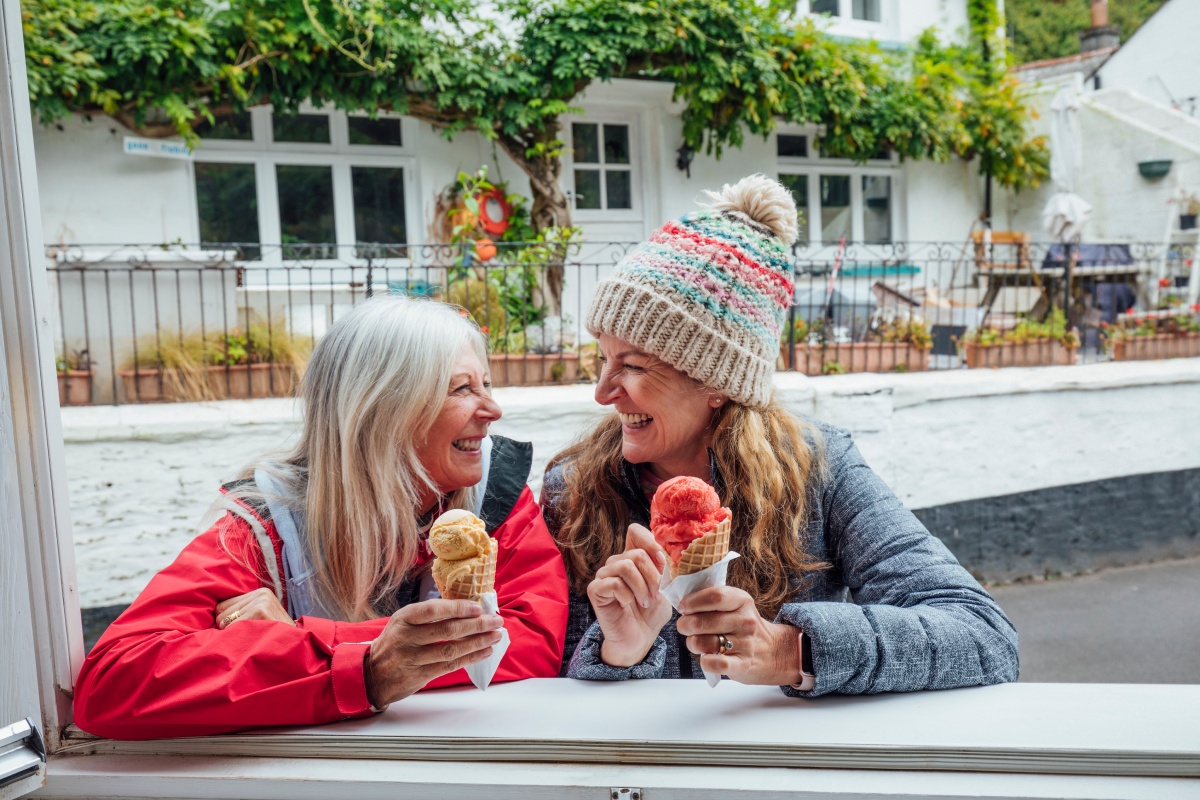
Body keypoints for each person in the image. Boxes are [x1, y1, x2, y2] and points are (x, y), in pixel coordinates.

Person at [542, 175, 1018, 694]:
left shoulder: (818, 469)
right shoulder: (574, 487)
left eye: (633, 366)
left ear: (716, 383)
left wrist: (792, 649)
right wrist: (618, 653)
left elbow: (983, 636)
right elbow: (544, 684)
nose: (603, 392)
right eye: (604, 359)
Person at [75, 296, 569, 739]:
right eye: (461, 388)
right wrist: (365, 671)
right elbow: (113, 682)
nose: (493, 409)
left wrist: (300, 638)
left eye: (486, 384)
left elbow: (533, 639)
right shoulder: (267, 525)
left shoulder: (493, 495)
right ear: (381, 411)